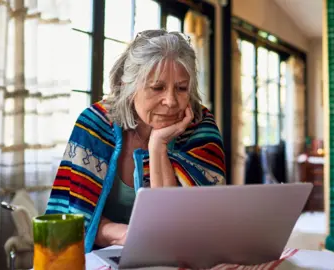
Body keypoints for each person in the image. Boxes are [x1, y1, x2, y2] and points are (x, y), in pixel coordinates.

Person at [45, 29, 226, 253]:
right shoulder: (94, 124)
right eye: (157, 87)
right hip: (97, 256)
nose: (170, 101)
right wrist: (121, 233)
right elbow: (72, 217)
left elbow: (182, 227)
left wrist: (158, 145)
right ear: (127, 86)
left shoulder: (200, 128)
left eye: (181, 88)